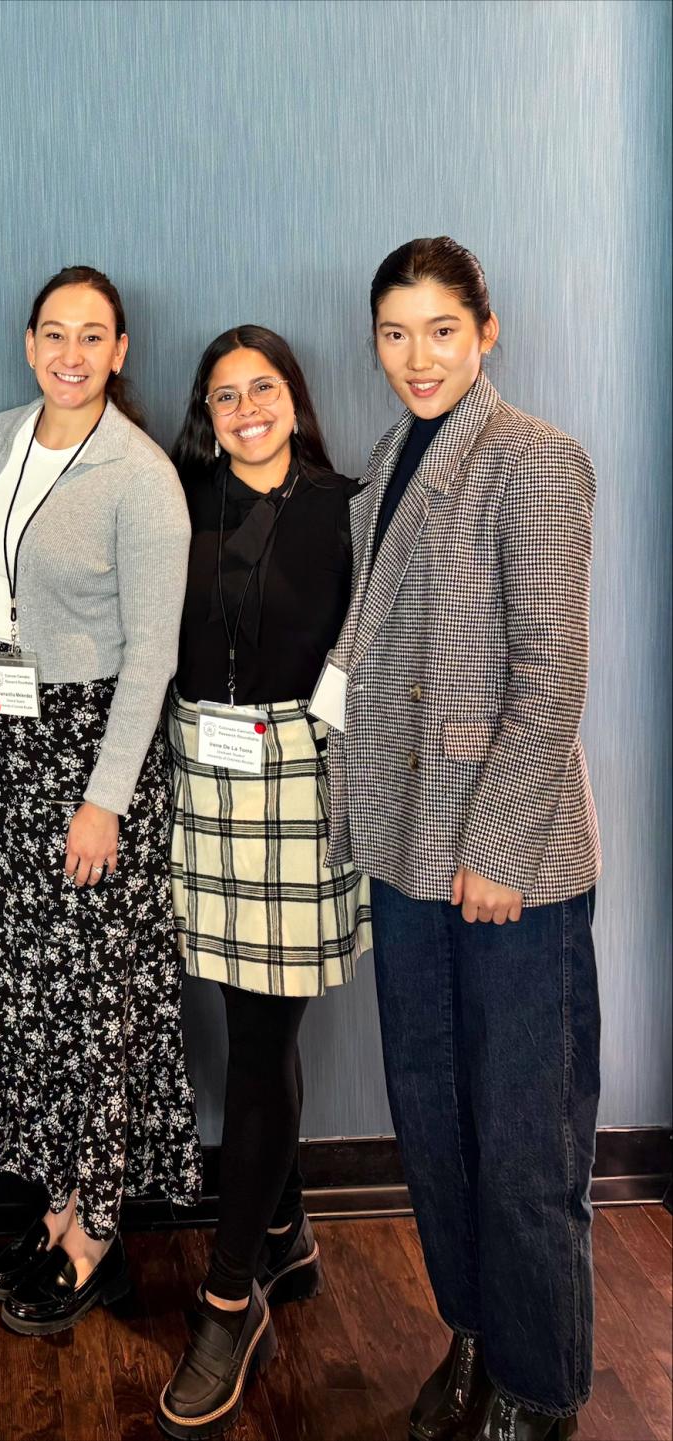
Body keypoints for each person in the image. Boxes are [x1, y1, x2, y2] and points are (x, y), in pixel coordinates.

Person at [326, 237, 600, 1441]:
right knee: (433, 1113)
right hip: (405, 844)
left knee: (526, 1134)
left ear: (487, 331)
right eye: (395, 333)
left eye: (441, 329)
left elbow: (551, 678)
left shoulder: (534, 459)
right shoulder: (390, 459)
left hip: (509, 862)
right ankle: (477, 1331)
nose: (417, 356)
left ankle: (539, 1389)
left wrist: (495, 846)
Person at [0, 265, 202, 1336]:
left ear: (121, 350)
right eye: (55, 333)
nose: (71, 353)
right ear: (28, 342)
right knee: (33, 998)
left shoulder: (141, 476)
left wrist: (104, 799)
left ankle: (96, 1233)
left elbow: (153, 657)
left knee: (97, 1004)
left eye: (93, 336)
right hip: (8, 754)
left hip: (96, 757)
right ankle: (53, 1209)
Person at [155, 328, 370, 1438]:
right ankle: (285, 1232)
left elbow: (372, 648)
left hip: (299, 779)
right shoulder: (177, 495)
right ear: (207, 410)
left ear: (295, 397)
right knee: (240, 1022)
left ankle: (230, 1302)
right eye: (225, 395)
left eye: (264, 389)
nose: (246, 409)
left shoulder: (347, 506)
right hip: (198, 770)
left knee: (258, 1039)